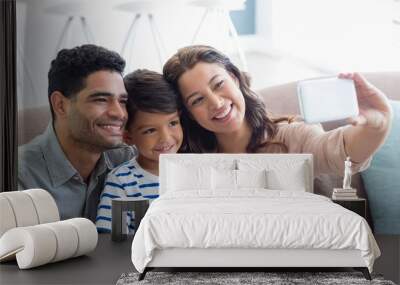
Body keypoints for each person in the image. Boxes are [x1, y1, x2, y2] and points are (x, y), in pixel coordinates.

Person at [162, 45, 393, 176]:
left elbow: (339, 152)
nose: (216, 103)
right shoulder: (189, 159)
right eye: (197, 100)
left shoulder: (293, 136)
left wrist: (377, 125)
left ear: (234, 78)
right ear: (188, 112)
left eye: (218, 84)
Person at [18, 44, 135, 221]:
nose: (119, 113)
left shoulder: (128, 160)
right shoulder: (18, 176)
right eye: (101, 100)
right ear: (60, 105)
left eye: (122, 101)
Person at [96, 69, 184, 233]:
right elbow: (112, 242)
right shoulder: (121, 182)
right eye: (150, 130)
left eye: (173, 123)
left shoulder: (196, 169)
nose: (166, 138)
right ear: (128, 137)